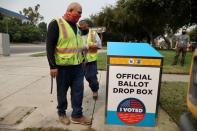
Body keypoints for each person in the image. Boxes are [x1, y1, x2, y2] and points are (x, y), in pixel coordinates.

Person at [46, 2, 91, 125]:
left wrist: (82, 58)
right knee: (62, 92)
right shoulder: (56, 23)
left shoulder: (76, 27)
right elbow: (49, 46)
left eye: (81, 14)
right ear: (69, 11)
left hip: (77, 67)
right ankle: (61, 113)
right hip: (62, 67)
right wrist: (52, 66)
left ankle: (77, 115)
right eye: (78, 13)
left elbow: (77, 45)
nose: (80, 16)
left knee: (78, 91)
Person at [79, 20, 102, 100]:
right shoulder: (77, 34)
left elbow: (99, 45)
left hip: (91, 60)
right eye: (81, 27)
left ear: (87, 25)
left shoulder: (93, 33)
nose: (83, 28)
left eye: (84, 26)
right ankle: (78, 93)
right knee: (78, 79)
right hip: (79, 60)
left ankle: (95, 90)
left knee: (91, 77)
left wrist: (88, 46)